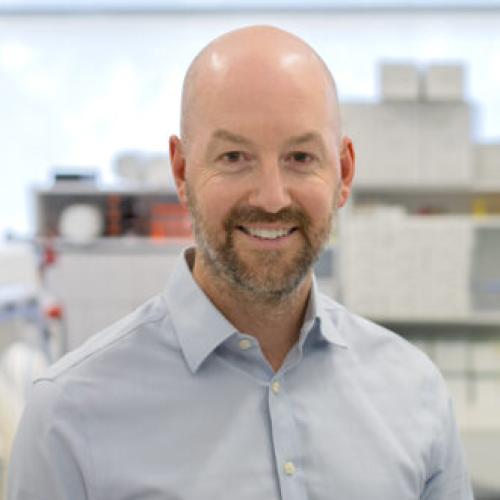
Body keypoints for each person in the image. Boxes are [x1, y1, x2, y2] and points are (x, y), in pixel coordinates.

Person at [7, 26, 473, 500]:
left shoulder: (415, 393)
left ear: (344, 171)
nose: (272, 198)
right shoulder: (69, 417)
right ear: (182, 171)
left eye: (300, 157)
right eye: (233, 157)